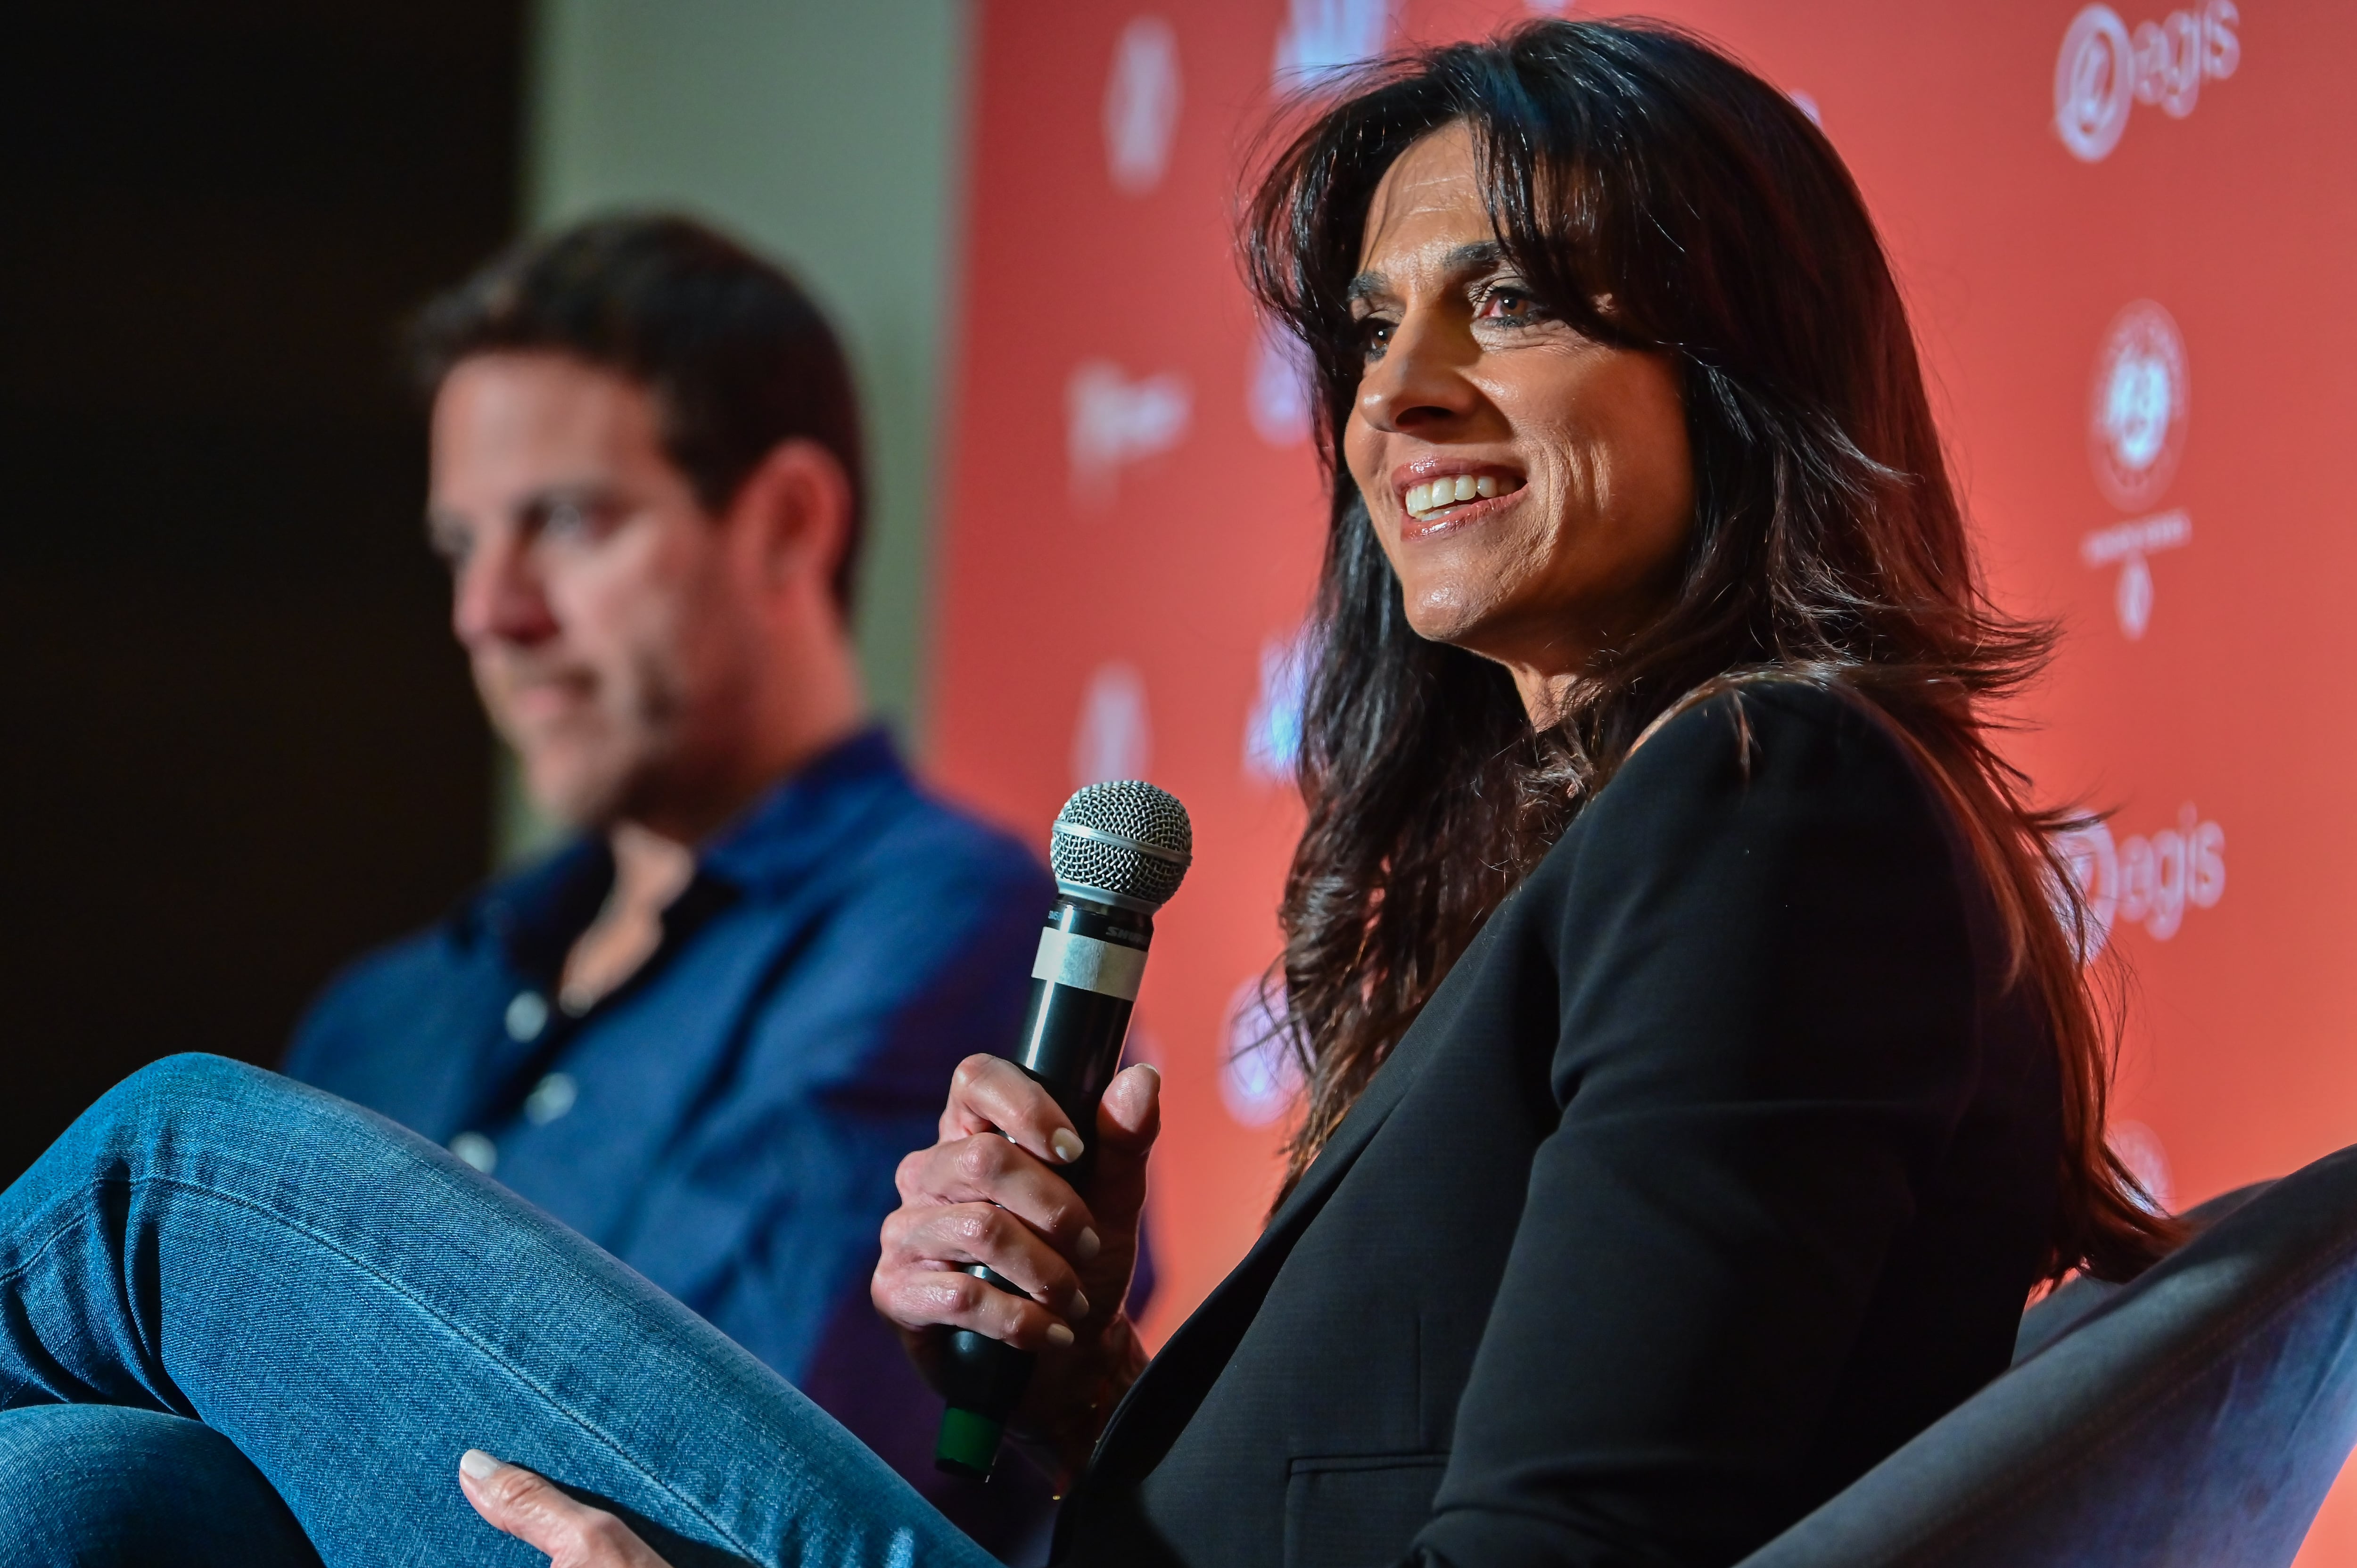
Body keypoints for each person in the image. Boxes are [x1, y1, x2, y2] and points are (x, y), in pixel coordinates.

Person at [0, 21, 2178, 1568]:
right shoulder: (1626, 833)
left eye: (1503, 303)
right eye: (1362, 333)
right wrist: (1078, 1393)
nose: (1393, 396)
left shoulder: (1767, 789)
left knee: (167, 1175)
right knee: (100, 1504)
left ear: (1736, 360)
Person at [279, 214, 1078, 1555]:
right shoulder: (387, 1010)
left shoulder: (948, 926)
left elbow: (714, 1458)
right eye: (462, 546)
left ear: (786, 523)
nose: (491, 613)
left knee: (165, 1150)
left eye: (567, 524)